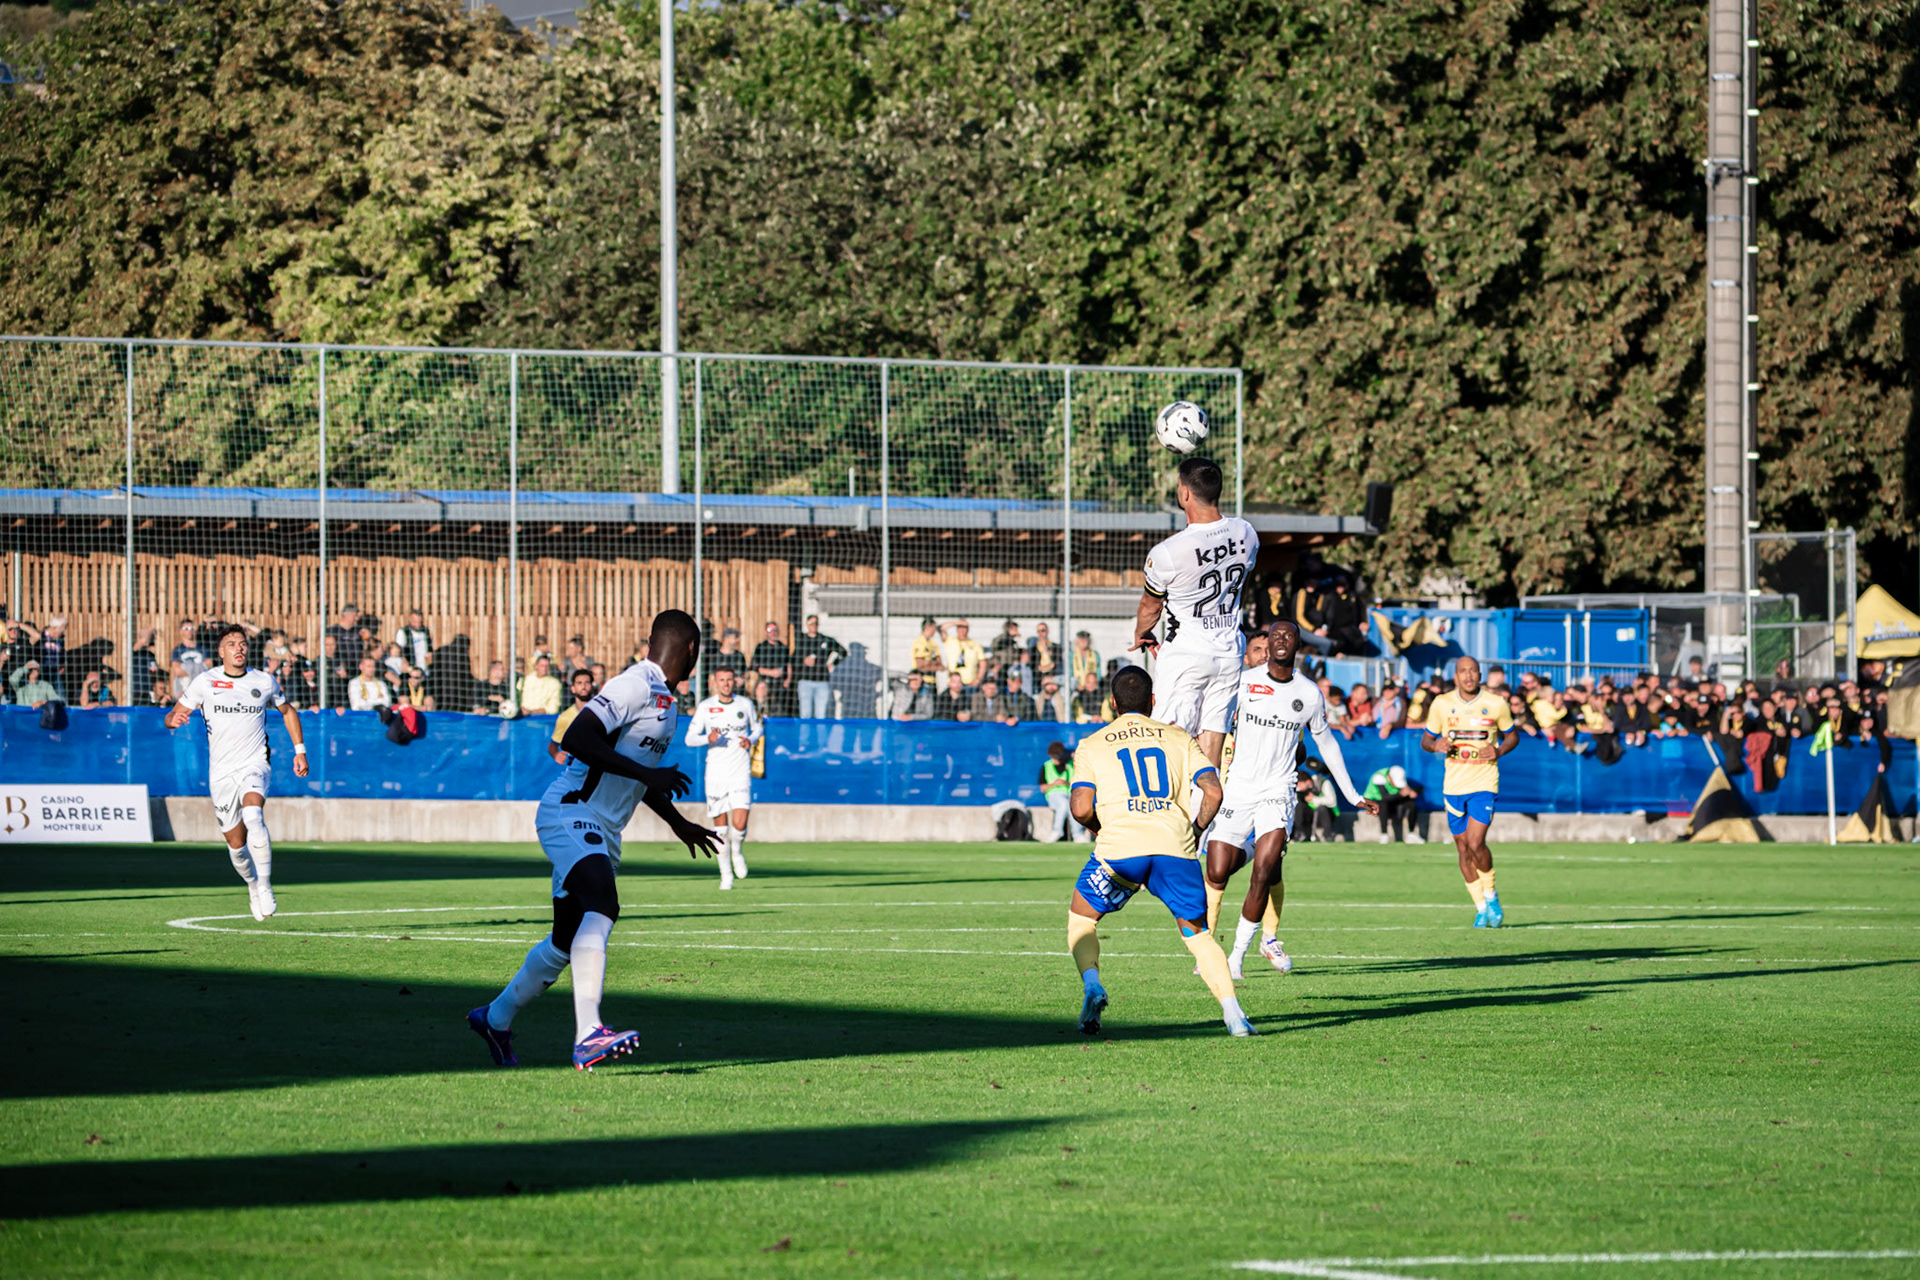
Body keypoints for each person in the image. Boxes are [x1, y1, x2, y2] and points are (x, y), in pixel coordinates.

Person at [469, 611, 720, 1072]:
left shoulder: (669, 700)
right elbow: (578, 738)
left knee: (565, 940)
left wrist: (676, 821)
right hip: (570, 812)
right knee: (603, 905)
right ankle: (588, 1034)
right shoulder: (635, 684)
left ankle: (495, 1017)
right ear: (690, 649)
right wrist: (649, 774)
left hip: (604, 829)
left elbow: (630, 775)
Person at [1066, 666, 1250, 1036]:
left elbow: (1081, 807)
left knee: (1082, 921)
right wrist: (1195, 831)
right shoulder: (1179, 738)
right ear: (1153, 702)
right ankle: (1234, 1015)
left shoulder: (1092, 743)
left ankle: (1092, 985)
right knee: (1197, 935)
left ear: (1113, 703)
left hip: (1119, 850)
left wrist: (1103, 830)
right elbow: (1213, 791)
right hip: (1174, 847)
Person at [1204, 619, 1374, 981]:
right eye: (1275, 636)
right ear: (1267, 646)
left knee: (1265, 872)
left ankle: (1237, 956)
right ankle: (1249, 848)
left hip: (1278, 791)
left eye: (1288, 636)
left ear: (1298, 645)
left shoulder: (1309, 693)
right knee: (1218, 869)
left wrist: (1352, 794)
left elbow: (1326, 743)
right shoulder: (1244, 682)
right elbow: (1211, 716)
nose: (1281, 641)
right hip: (1239, 790)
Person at [163, 623, 308, 922]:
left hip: (254, 763)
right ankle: (253, 884)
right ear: (221, 651)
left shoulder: (264, 681)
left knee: (254, 816)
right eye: (231, 644)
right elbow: (173, 714)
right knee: (237, 847)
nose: (238, 648)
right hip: (221, 773)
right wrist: (173, 719)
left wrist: (300, 751)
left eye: (242, 643)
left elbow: (288, 711)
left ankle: (266, 886)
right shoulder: (205, 682)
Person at [1130, 455, 1260, 768]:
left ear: (1185, 493)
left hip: (1187, 654)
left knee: (1167, 739)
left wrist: (1141, 633)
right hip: (1228, 652)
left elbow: (1151, 606)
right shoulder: (1246, 534)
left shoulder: (1169, 551)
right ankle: (1205, 817)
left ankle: (1169, 814)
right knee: (1211, 746)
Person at [1421, 655, 1518, 927]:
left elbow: (1513, 735)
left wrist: (1498, 750)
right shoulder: (1442, 704)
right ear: (1456, 676)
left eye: (1473, 671)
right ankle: (1480, 908)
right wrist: (1435, 745)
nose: (1468, 676)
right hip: (1453, 786)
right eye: (1463, 671)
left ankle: (1492, 896)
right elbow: (1426, 740)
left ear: (1480, 674)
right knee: (1463, 849)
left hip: (1484, 783)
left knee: (1476, 843)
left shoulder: (1496, 704)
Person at [684, 666, 762, 890]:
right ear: (715, 682)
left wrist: (751, 739)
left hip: (740, 771)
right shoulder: (706, 707)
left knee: (740, 823)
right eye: (722, 680)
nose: (726, 683)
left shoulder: (745, 704)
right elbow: (690, 739)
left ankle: (736, 850)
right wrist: (707, 738)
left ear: (734, 681)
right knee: (721, 829)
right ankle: (725, 874)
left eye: (729, 679)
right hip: (716, 774)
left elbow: (757, 729)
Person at [792, 614, 847, 719]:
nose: (814, 626)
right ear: (807, 625)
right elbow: (793, 659)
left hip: (822, 681)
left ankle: (820, 735)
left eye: (816, 623)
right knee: (805, 714)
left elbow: (843, 652)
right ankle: (806, 735)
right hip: (805, 681)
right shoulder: (801, 640)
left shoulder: (825, 640)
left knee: (821, 714)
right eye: (811, 623)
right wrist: (803, 660)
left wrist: (833, 664)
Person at [1038, 741, 1086, 843]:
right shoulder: (1046, 766)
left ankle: (1078, 834)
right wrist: (1054, 784)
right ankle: (1057, 831)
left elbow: (1077, 782)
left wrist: (1066, 783)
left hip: (1070, 794)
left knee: (1073, 805)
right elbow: (1043, 788)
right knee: (1064, 804)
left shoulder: (1070, 765)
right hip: (1054, 795)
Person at [548, 670, 599, 764]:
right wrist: (556, 754)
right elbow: (553, 745)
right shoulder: (565, 717)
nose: (583, 687)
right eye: (579, 683)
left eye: (587, 683)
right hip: (576, 769)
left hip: (599, 767)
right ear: (573, 689)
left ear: (591, 687)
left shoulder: (601, 711)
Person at [1364, 764, 1422, 843]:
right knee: (1383, 804)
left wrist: (1411, 792)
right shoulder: (1378, 777)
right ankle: (1384, 834)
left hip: (1392, 799)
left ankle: (1411, 834)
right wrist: (1401, 794)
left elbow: (1407, 790)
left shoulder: (1399, 776)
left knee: (1411, 804)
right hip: (1374, 802)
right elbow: (1385, 797)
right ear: (1390, 777)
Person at [750, 622, 792, 717]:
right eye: (770, 630)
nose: (773, 633)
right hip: (765, 682)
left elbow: (788, 665)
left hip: (780, 685)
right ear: (766, 632)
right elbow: (754, 666)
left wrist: (788, 679)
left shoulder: (783, 648)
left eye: (775, 630)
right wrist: (771, 673)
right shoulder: (761, 647)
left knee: (779, 711)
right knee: (761, 693)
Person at [942, 620, 985, 689]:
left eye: (965, 627)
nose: (962, 630)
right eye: (960, 627)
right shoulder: (950, 641)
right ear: (957, 629)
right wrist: (957, 622)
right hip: (954, 683)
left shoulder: (975, 644)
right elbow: (941, 628)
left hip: (970, 683)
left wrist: (978, 679)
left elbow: (983, 664)